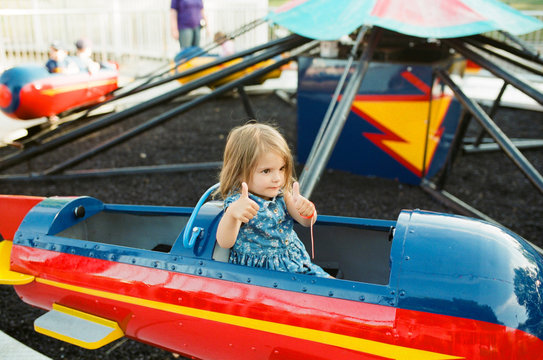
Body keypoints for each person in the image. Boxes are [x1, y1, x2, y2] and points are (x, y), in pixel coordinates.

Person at [215, 122, 331, 278]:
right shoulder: (240, 203)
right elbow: (225, 242)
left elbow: (306, 223)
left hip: (294, 262)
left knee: (333, 286)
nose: (277, 178)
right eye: (266, 171)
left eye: (282, 168)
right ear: (239, 172)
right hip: (261, 273)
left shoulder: (283, 195)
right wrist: (232, 214)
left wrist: (307, 211)